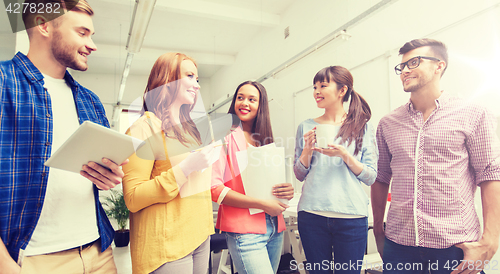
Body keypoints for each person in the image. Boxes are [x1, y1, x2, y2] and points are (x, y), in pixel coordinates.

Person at [0, 1, 128, 273]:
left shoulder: (90, 101)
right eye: (82, 33)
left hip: (98, 251)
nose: (93, 45)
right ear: (44, 24)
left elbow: (103, 178)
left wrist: (109, 177)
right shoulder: (3, 82)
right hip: (34, 260)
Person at [372, 38, 500, 274]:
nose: (405, 71)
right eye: (402, 66)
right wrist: (379, 231)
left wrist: (490, 240)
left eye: (414, 62)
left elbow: (490, 174)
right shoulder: (388, 123)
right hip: (399, 245)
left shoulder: (473, 113)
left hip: (455, 246)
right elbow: (380, 177)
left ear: (439, 65)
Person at [122, 52, 217, 274]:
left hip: (200, 233)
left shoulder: (191, 131)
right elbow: (133, 198)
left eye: (198, 79)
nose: (197, 85)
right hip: (167, 244)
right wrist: (186, 167)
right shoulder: (144, 128)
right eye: (190, 76)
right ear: (168, 79)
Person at [293, 66, 378, 274]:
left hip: (351, 216)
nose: (316, 92)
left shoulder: (362, 127)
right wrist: (307, 150)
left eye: (323, 85)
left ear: (342, 91)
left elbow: (371, 176)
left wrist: (345, 156)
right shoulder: (306, 126)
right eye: (314, 87)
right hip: (311, 214)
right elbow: (299, 174)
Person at [211, 81, 294, 274]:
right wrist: (263, 204)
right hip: (245, 231)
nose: (244, 103)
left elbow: (266, 184)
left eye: (251, 99)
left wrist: (285, 190)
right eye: (240, 97)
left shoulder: (263, 140)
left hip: (274, 227)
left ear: (261, 105)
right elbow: (214, 189)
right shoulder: (222, 136)